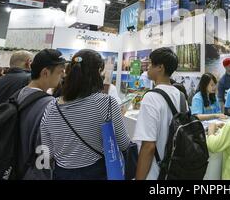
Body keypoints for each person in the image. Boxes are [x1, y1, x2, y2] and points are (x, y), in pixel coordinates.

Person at [40, 49, 130, 180]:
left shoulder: (51, 106)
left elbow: (47, 150)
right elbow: (123, 144)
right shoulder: (106, 103)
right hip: (97, 172)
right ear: (98, 72)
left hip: (62, 173)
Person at [134, 47, 187, 180]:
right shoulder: (181, 96)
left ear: (160, 68)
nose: (148, 67)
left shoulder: (151, 97)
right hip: (175, 169)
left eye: (151, 64)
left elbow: (148, 147)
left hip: (155, 172)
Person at [17, 49, 66, 179]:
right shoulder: (51, 105)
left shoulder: (19, 94)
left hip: (15, 167)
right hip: (34, 172)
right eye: (60, 71)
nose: (63, 75)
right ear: (45, 73)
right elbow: (44, 150)